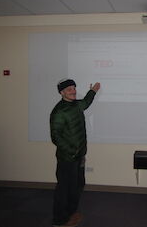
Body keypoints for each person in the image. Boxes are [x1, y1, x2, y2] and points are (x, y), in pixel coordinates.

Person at [50, 78, 100, 227]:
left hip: (79, 156)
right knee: (64, 189)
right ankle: (59, 220)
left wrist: (93, 91)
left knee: (77, 185)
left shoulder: (76, 105)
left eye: (73, 88)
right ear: (62, 92)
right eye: (69, 89)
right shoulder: (58, 112)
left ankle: (70, 214)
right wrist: (73, 151)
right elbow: (56, 137)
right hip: (68, 158)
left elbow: (85, 102)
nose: (73, 91)